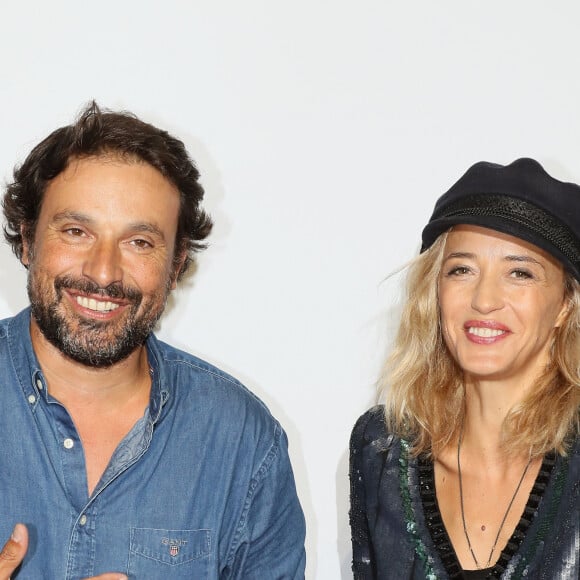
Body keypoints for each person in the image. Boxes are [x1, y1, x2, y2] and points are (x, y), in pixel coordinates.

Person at [0, 102, 306, 579]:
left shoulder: (242, 440)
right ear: (26, 239)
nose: (103, 271)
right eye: (76, 231)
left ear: (177, 262)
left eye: (139, 242)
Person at [349, 158, 580, 579]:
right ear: (434, 290)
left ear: (565, 304)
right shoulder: (382, 446)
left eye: (520, 272)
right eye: (462, 270)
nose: (484, 299)